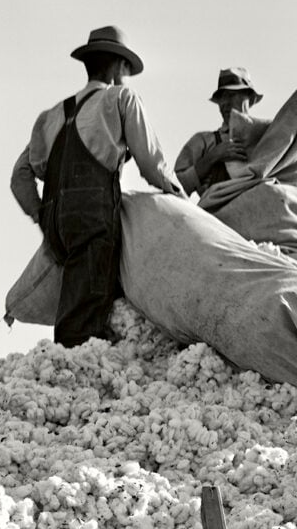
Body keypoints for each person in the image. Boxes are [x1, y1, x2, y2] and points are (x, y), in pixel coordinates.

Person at [11, 25, 185, 347]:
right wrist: (181, 198)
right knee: (86, 311)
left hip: (57, 228)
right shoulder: (121, 99)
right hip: (93, 219)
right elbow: (152, 165)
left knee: (79, 295)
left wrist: (44, 218)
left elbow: (19, 177)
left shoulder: (49, 117)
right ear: (119, 67)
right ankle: (75, 373)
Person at [174, 67, 269, 198]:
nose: (225, 103)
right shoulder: (203, 141)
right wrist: (213, 157)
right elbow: (174, 187)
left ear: (250, 98)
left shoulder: (267, 138)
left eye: (231, 95)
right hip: (213, 216)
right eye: (221, 98)